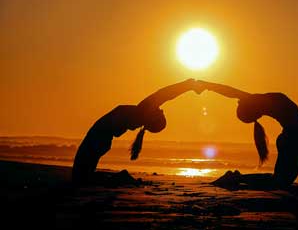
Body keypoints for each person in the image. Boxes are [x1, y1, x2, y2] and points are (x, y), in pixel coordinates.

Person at [72, 79, 203, 184]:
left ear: (153, 118)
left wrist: (187, 85)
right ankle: (120, 178)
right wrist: (188, 85)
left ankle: (121, 178)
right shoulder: (142, 114)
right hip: (100, 137)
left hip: (98, 137)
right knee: (83, 176)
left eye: (161, 113)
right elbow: (165, 95)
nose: (161, 110)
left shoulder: (143, 110)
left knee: (82, 177)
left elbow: (165, 93)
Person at [198, 80, 298, 188]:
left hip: (291, 138)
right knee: (279, 182)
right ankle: (236, 178)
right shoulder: (260, 102)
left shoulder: (258, 102)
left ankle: (236, 177)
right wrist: (208, 85)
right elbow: (230, 91)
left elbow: (230, 92)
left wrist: (208, 85)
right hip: (294, 139)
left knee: (278, 181)